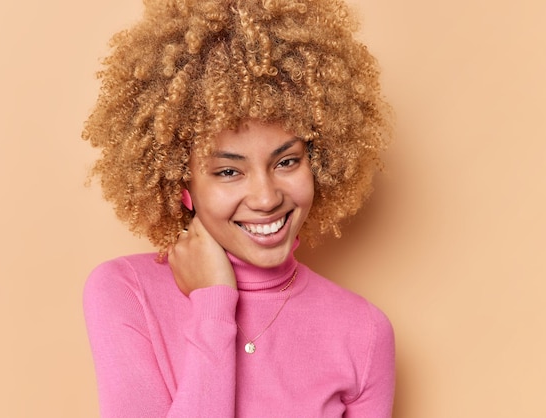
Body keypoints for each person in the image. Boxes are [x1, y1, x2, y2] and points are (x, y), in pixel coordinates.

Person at [82, 0, 395, 416]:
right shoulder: (126, 291)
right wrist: (214, 303)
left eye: (287, 162)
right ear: (182, 183)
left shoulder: (364, 332)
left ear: (319, 162)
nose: (266, 198)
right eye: (229, 171)